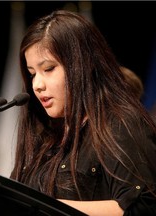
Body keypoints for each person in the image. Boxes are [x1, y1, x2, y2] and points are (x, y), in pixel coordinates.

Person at [10, 9, 156, 216]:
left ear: (82, 65)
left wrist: (46, 207)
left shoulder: (120, 124)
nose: (37, 85)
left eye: (49, 69)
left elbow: (144, 207)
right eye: (32, 74)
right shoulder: (43, 134)